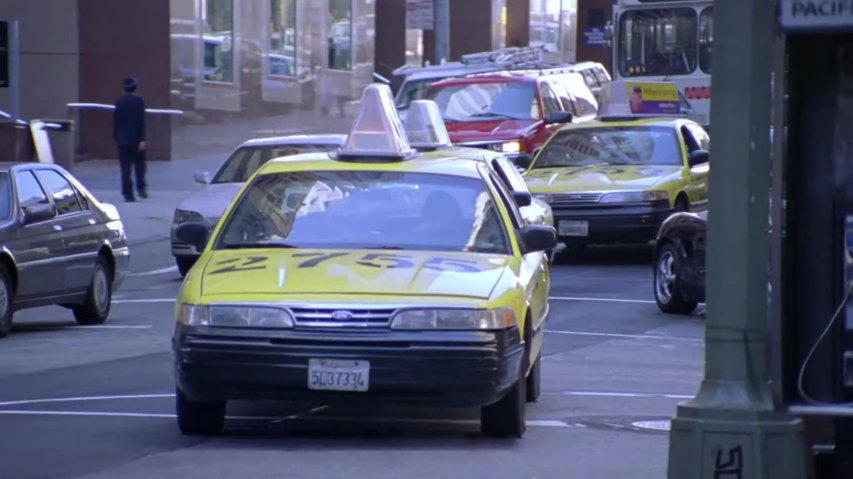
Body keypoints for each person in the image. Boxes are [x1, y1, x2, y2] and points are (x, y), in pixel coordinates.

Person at [113, 77, 147, 202]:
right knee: (140, 166)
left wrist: (116, 136)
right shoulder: (139, 101)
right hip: (137, 139)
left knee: (125, 168)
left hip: (122, 139)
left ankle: (128, 194)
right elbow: (141, 121)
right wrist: (143, 139)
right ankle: (141, 188)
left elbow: (116, 121)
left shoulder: (119, 101)